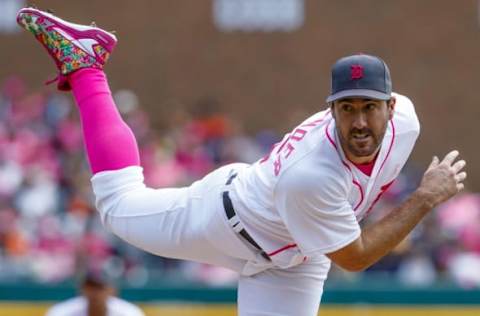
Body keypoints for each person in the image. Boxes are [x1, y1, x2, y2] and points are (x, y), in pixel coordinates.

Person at [17, 7, 467, 316]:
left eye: (370, 106)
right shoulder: (312, 173)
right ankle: (87, 65)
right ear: (331, 110)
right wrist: (426, 198)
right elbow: (355, 257)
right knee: (116, 205)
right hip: (228, 222)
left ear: (391, 105)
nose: (360, 120)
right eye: (347, 108)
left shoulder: (407, 123)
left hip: (299, 254)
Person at [45, 272, 145, 316]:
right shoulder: (62, 312)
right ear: (82, 289)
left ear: (112, 290)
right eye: (91, 287)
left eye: (100, 287)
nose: (95, 292)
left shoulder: (129, 313)